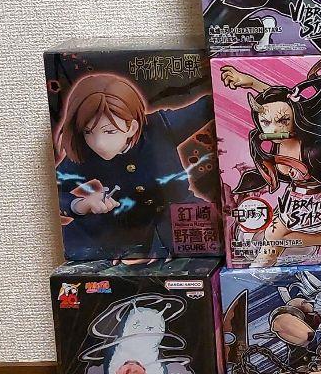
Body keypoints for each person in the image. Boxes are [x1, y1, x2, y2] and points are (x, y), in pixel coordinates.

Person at [220, 59, 321, 266]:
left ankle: (259, 274)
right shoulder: (272, 145)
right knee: (268, 239)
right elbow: (278, 102)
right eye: (266, 123)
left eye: (283, 121)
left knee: (272, 238)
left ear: (295, 118)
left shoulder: (313, 150)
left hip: (317, 205)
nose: (274, 129)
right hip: (291, 203)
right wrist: (251, 82)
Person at [54, 72, 212, 259]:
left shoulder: (161, 126)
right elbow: (54, 190)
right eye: (88, 132)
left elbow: (209, 105)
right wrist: (81, 204)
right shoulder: (85, 152)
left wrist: (236, 79)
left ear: (132, 127)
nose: (99, 144)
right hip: (122, 226)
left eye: (109, 131)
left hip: (183, 217)